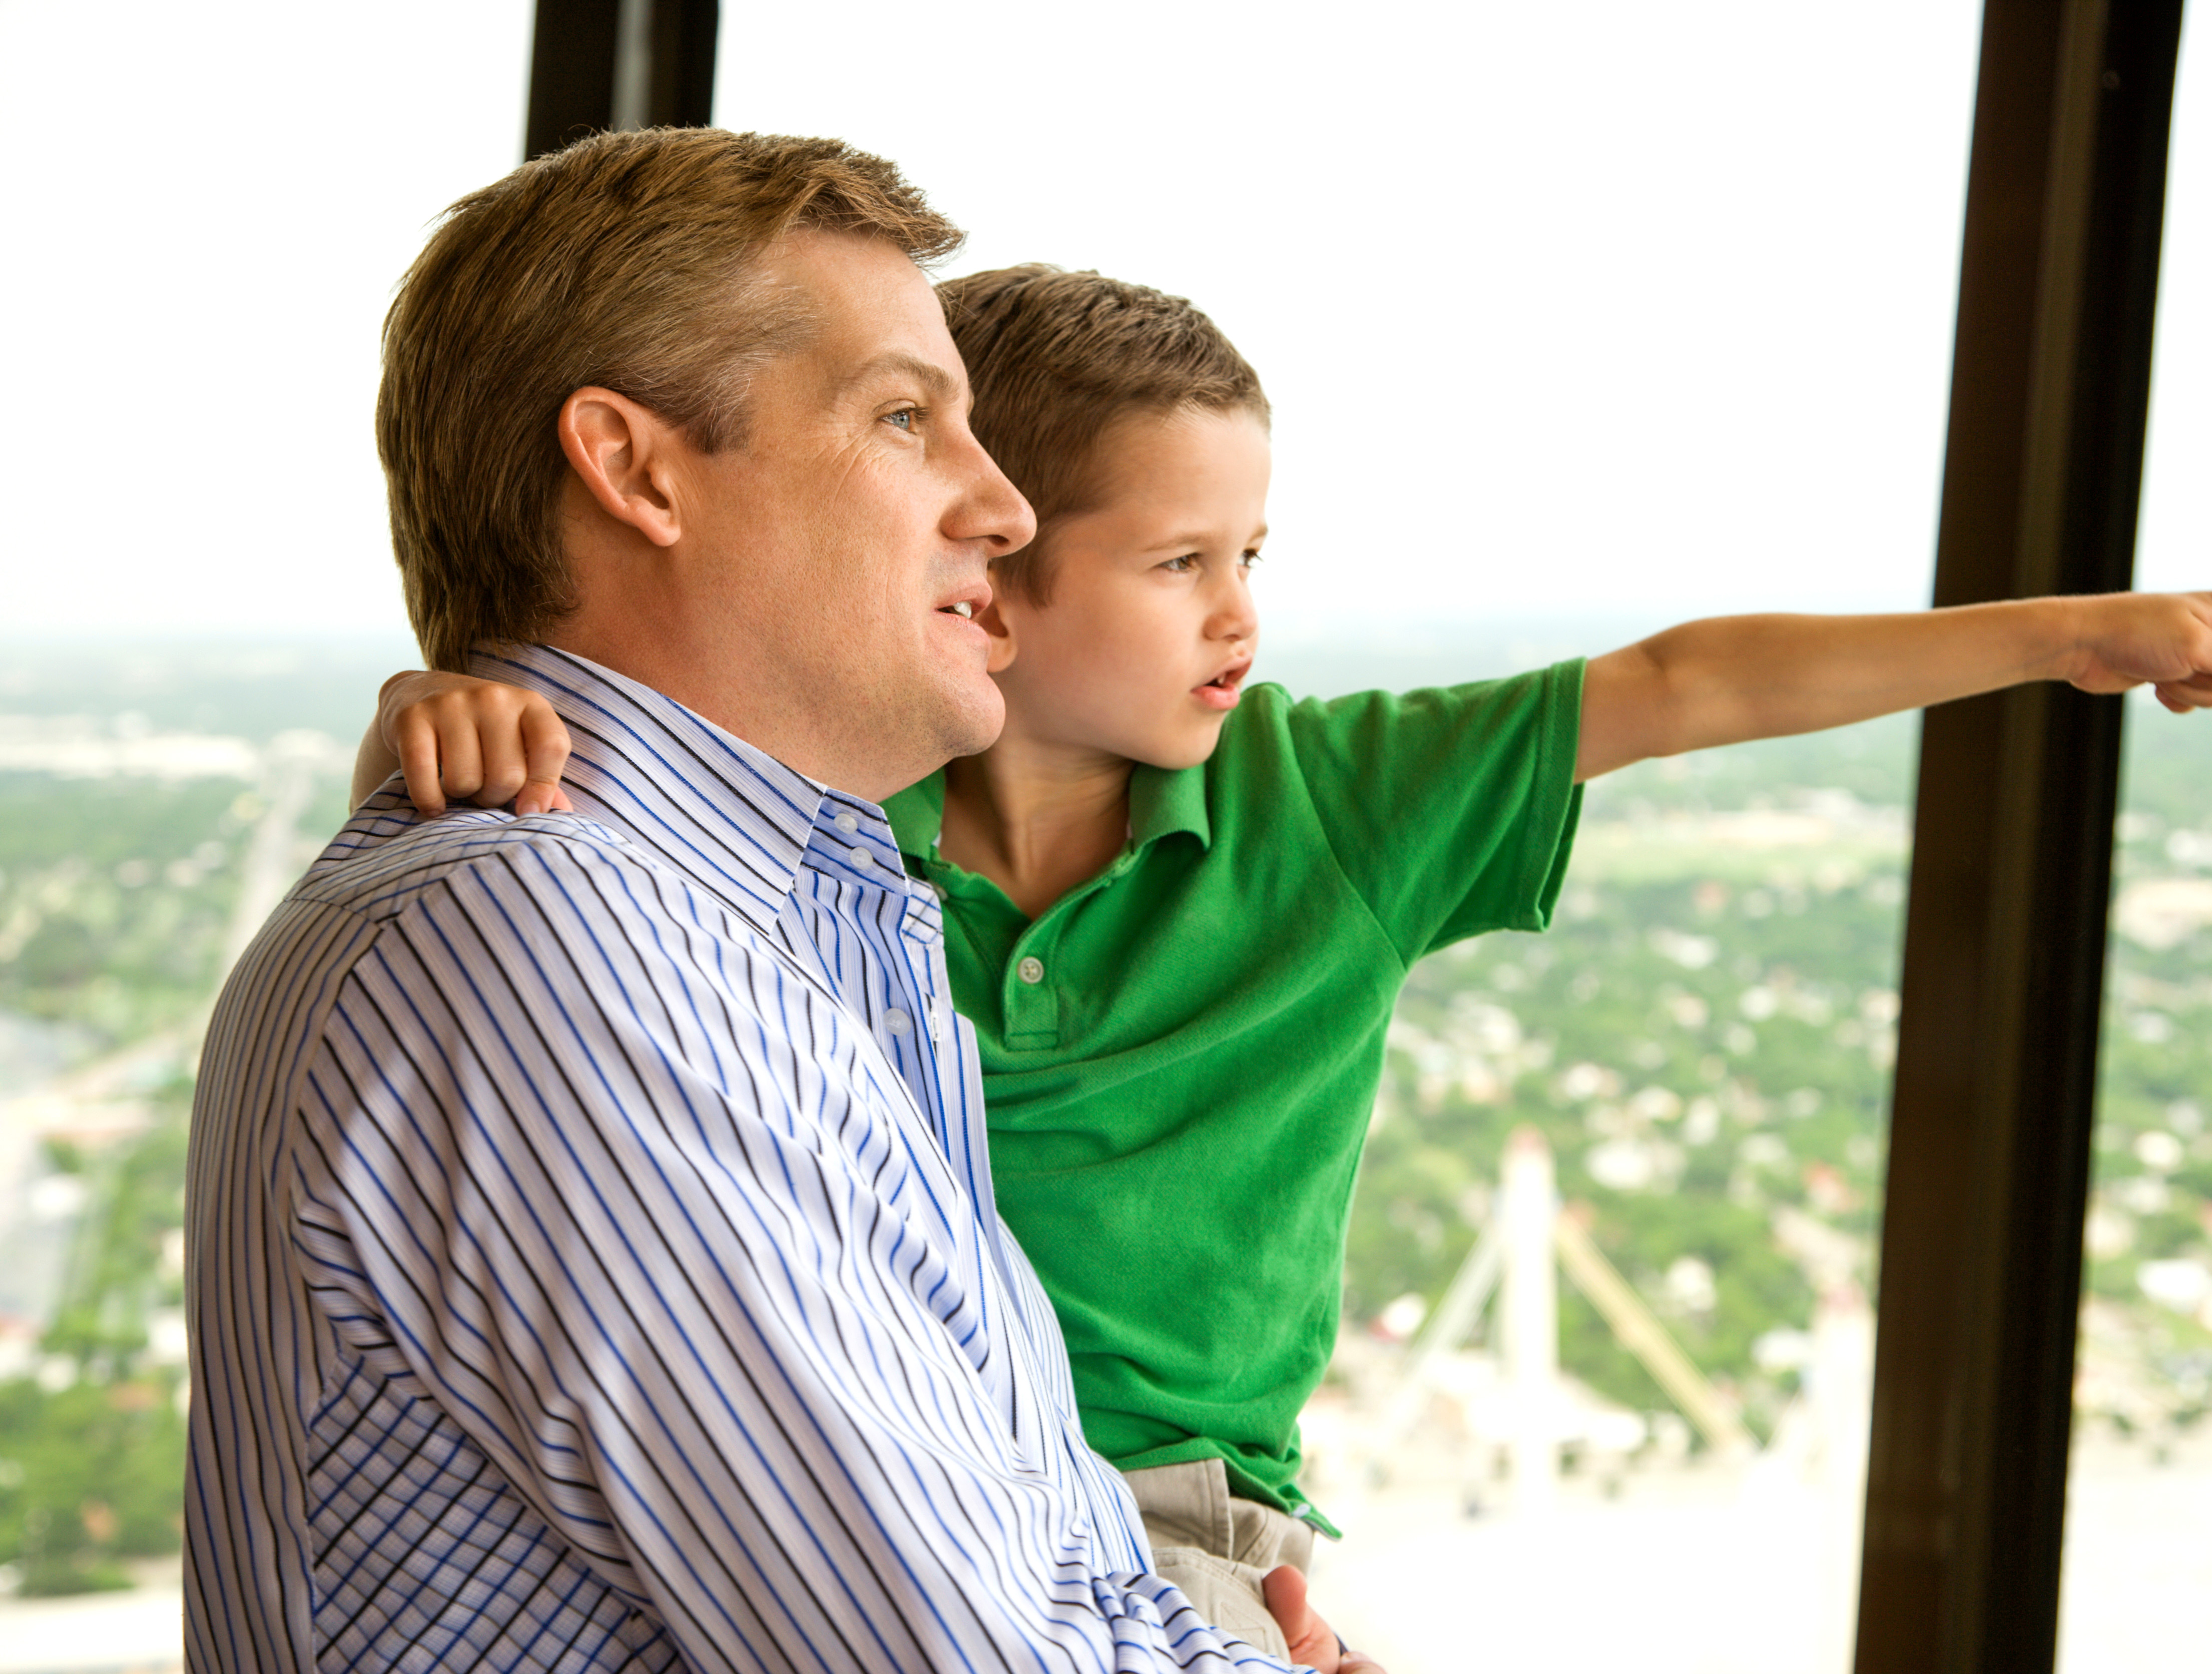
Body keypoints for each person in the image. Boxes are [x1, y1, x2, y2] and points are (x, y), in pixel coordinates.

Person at [361, 267, 2212, 1639]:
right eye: (1178, 564)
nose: (1240, 618)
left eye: (1256, 561)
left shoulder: (1347, 800)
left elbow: (1684, 678)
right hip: (860, 1481)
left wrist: (2068, 637)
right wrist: (439, 725)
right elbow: (596, 819)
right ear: (989, 564)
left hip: (1172, 1529)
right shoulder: (810, 811)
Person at [188, 133, 1367, 1674]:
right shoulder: (560, 951)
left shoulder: (763, 932)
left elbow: (1036, 1566)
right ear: (635, 469)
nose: (1005, 509)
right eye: (903, 417)